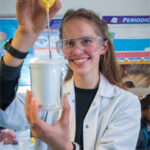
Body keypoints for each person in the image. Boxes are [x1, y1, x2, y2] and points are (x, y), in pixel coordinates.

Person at [0, 0, 141, 150]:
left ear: (103, 47)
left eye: (86, 41)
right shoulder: (47, 96)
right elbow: (5, 108)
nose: (77, 51)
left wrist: (64, 147)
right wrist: (23, 39)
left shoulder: (125, 103)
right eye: (69, 43)